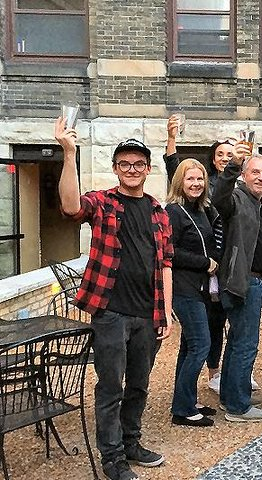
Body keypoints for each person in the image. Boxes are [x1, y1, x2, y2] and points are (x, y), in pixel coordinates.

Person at [55, 119, 172, 480]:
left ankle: (131, 441)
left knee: (139, 383)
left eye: (138, 164)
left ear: (147, 168)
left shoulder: (158, 210)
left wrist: (165, 312)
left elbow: (166, 263)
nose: (132, 169)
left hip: (147, 314)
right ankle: (113, 458)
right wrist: (69, 152)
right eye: (125, 164)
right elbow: (71, 207)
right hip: (110, 313)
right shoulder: (102, 202)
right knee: (110, 386)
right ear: (116, 168)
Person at [164, 118, 261, 393]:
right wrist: (171, 138)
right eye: (220, 154)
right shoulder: (189, 201)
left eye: (229, 155)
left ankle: (225, 377)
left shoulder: (222, 193)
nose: (195, 183)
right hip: (200, 275)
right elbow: (176, 171)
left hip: (221, 271)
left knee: (228, 329)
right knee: (206, 334)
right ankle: (208, 379)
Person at [211, 144, 262, 422]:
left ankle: (230, 396)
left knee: (237, 341)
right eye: (255, 172)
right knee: (246, 343)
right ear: (244, 176)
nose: (261, 177)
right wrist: (233, 164)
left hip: (254, 282)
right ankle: (239, 406)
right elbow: (218, 198)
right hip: (242, 281)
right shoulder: (237, 198)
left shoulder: (259, 206)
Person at [166, 159, 220, 427]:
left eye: (200, 179)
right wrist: (204, 263)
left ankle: (185, 399)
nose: (196, 184)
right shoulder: (173, 211)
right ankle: (183, 409)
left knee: (188, 346)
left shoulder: (200, 210)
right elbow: (169, 251)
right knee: (201, 344)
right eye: (190, 179)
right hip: (184, 288)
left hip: (199, 288)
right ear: (180, 182)